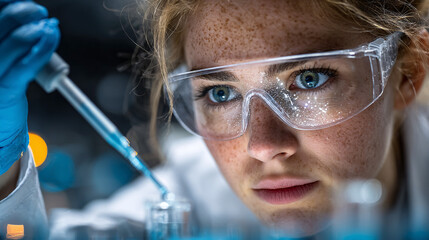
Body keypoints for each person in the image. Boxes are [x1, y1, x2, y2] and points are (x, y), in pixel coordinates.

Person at [1, 0, 429, 239]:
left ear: (407, 73)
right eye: (220, 93)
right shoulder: (192, 197)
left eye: (309, 79)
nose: (262, 145)